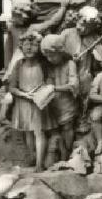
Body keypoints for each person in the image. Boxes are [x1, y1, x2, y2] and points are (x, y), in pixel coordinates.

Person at [8, 31, 51, 171]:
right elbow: (12, 87)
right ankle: (32, 156)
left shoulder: (43, 65)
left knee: (39, 132)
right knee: (27, 132)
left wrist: (41, 93)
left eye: (33, 45)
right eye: (26, 44)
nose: (29, 48)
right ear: (21, 46)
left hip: (40, 102)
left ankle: (40, 163)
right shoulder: (18, 65)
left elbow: (49, 82)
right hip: (23, 102)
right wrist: (25, 95)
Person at [40, 34, 79, 160]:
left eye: (52, 55)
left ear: (60, 51)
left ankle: (66, 155)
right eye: (47, 56)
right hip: (52, 103)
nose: (50, 59)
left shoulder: (70, 64)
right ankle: (59, 154)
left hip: (66, 103)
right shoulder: (48, 66)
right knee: (53, 130)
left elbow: (73, 85)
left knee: (67, 128)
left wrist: (55, 88)